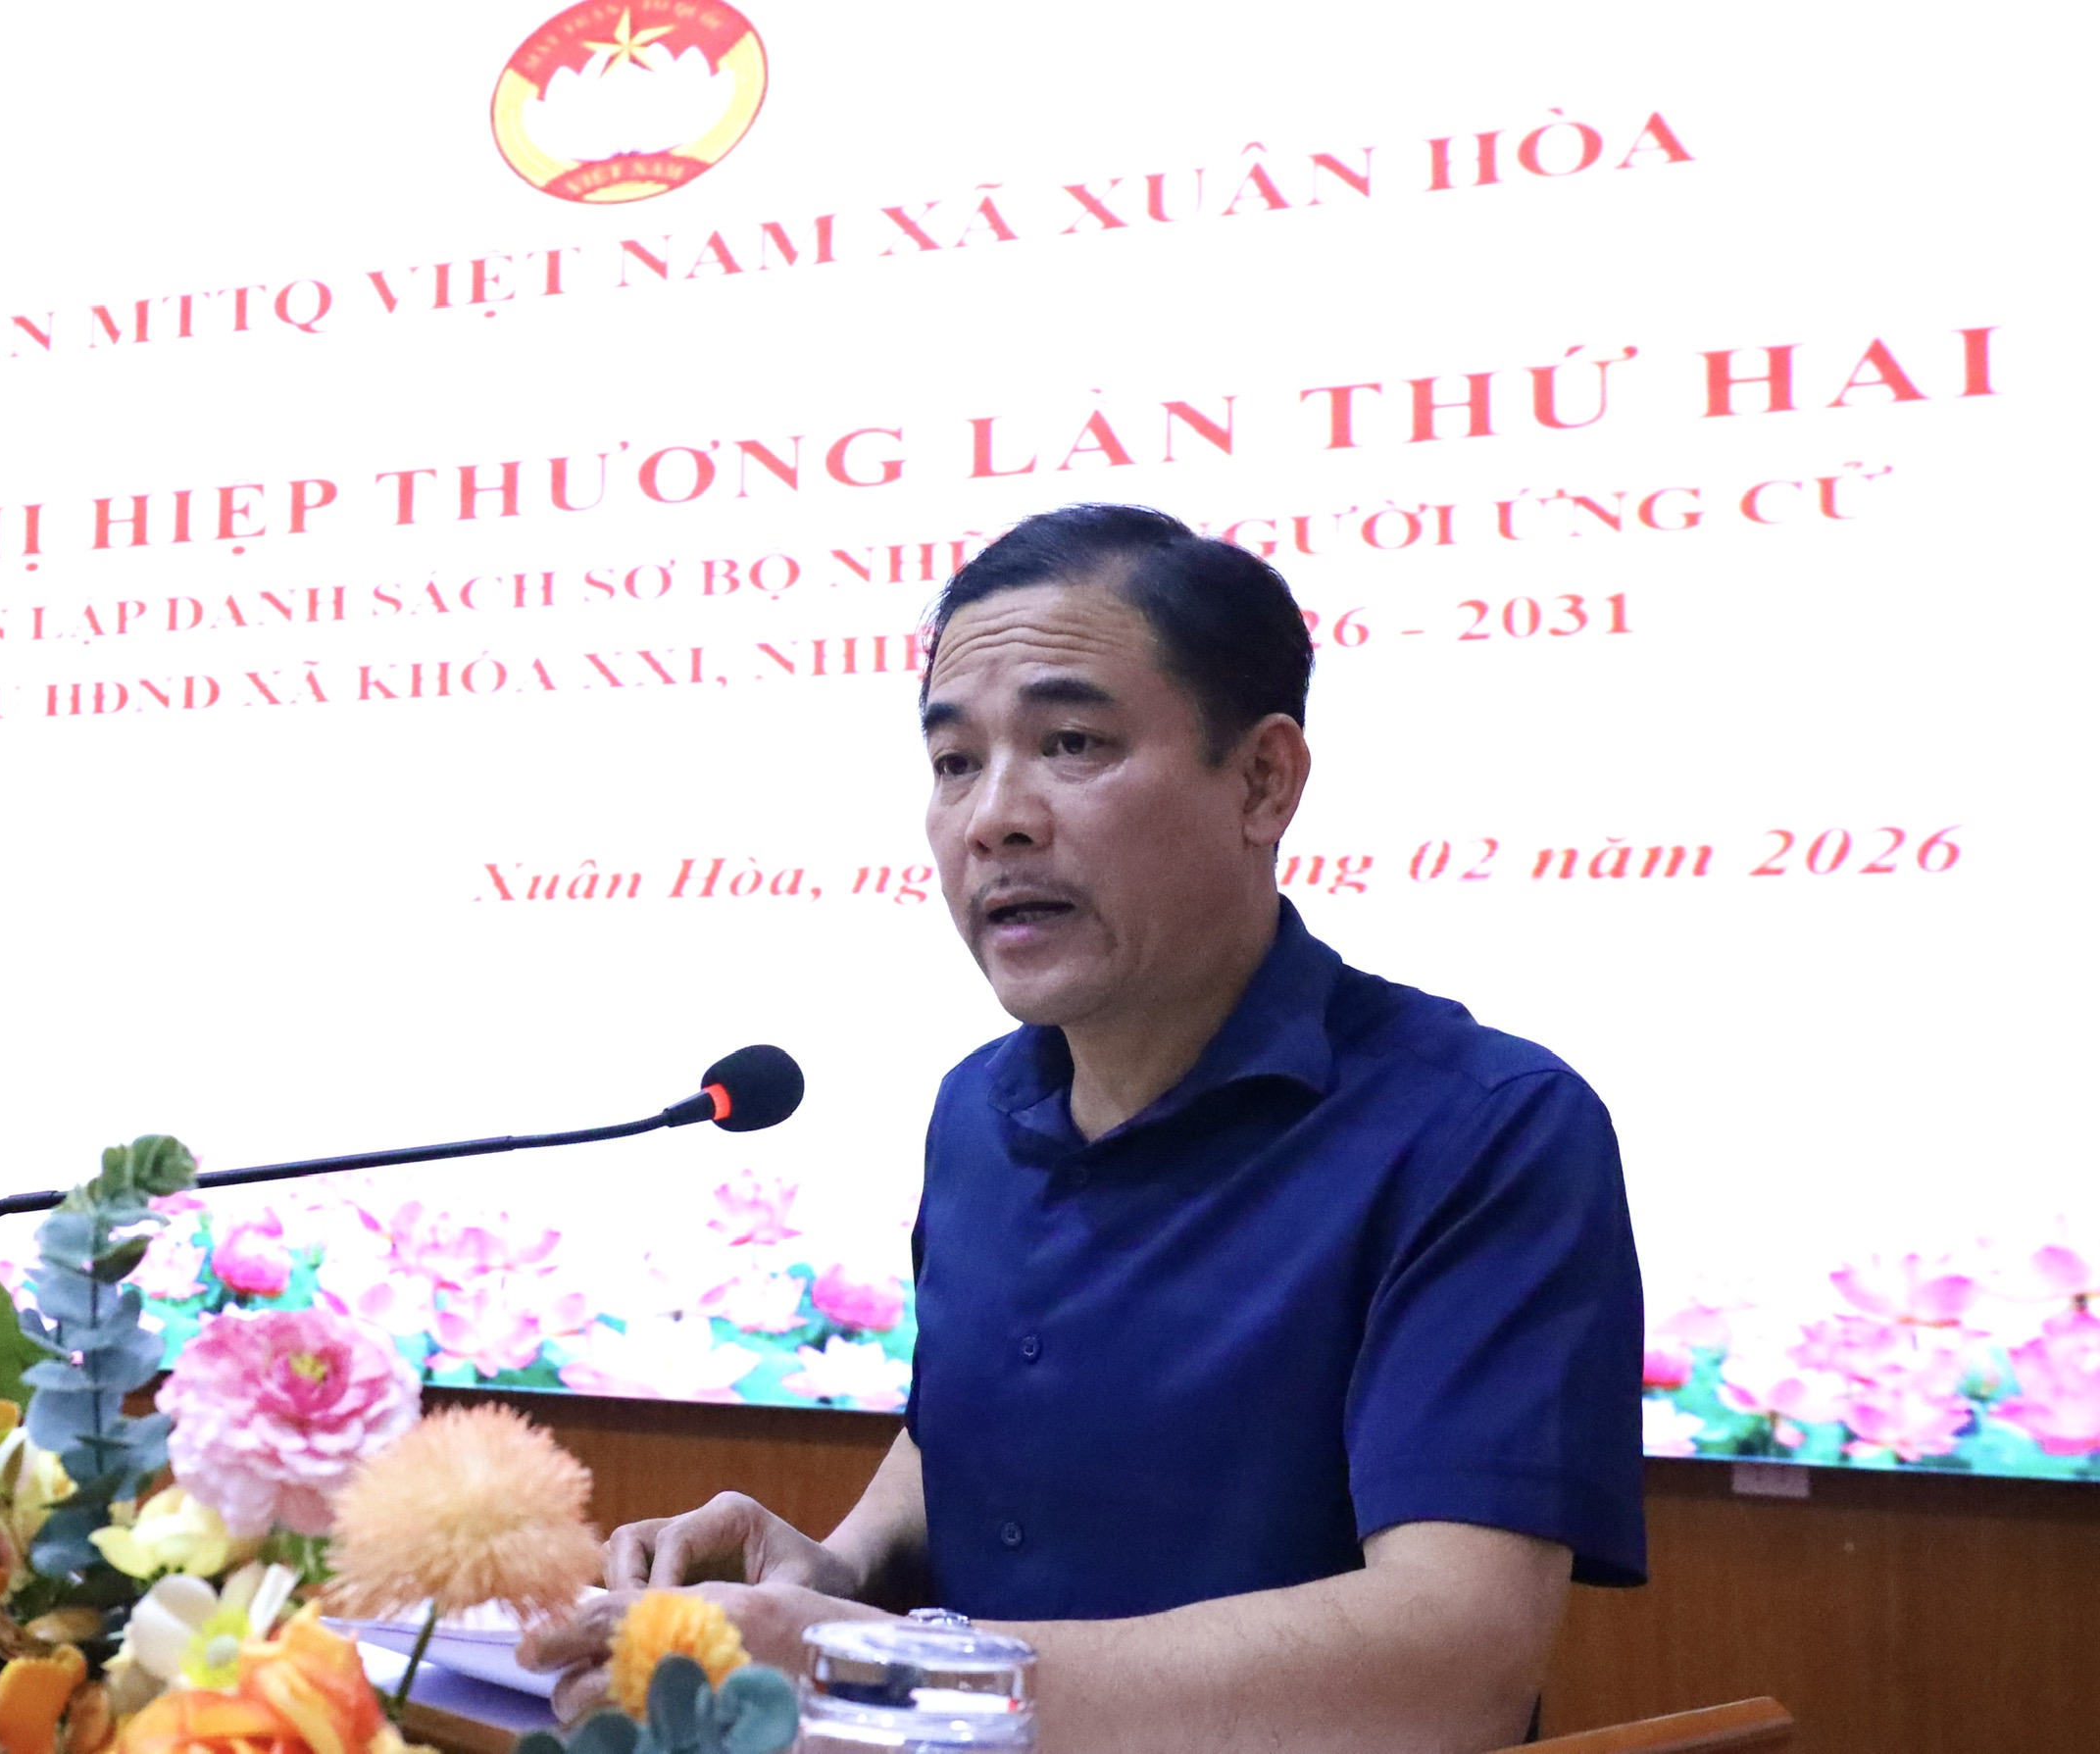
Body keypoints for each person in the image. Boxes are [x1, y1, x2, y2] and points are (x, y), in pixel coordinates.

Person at [522, 504, 1646, 1753]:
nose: (992, 818)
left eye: (1070, 743)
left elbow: (1453, 1662)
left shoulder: (1481, 1128)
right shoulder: (976, 1111)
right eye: (954, 761)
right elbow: (967, 1438)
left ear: (1263, 782)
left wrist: (867, 1662)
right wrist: (834, 1570)